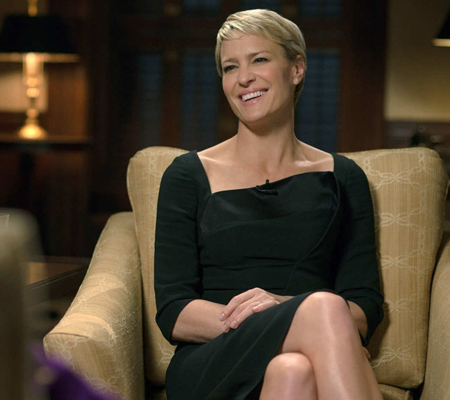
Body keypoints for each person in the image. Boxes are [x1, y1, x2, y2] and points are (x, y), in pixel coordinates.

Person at [154, 9, 384, 400]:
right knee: (325, 308)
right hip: (213, 360)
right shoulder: (186, 175)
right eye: (230, 67)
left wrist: (291, 311)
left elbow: (364, 308)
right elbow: (174, 311)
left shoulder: (344, 177)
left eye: (259, 59)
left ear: (297, 69)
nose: (243, 78)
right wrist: (286, 319)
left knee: (293, 368)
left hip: (307, 357)